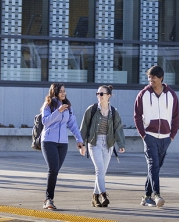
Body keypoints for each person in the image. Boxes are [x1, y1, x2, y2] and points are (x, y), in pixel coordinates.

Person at [133, 65, 179, 208]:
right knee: (153, 165)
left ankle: (146, 197)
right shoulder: (143, 94)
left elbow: (176, 116)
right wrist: (143, 135)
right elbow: (137, 116)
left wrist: (172, 136)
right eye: (149, 77)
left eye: (153, 77)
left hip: (166, 137)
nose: (150, 79)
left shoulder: (171, 95)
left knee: (156, 167)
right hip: (150, 136)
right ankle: (157, 195)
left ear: (161, 78)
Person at [40, 83, 85, 211]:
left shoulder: (68, 107)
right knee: (53, 168)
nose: (63, 93)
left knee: (55, 171)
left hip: (63, 144)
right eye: (60, 91)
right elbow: (46, 121)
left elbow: (73, 125)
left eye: (64, 91)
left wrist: (79, 140)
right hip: (48, 141)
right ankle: (49, 199)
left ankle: (48, 198)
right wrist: (58, 112)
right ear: (54, 92)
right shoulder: (48, 105)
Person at [80, 84, 126, 208]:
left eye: (101, 94)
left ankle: (95, 197)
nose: (99, 96)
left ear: (108, 96)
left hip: (108, 143)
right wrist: (81, 144)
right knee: (99, 169)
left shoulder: (114, 112)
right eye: (97, 94)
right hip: (94, 142)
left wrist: (121, 144)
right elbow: (83, 127)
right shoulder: (92, 109)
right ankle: (103, 195)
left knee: (102, 172)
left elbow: (118, 128)